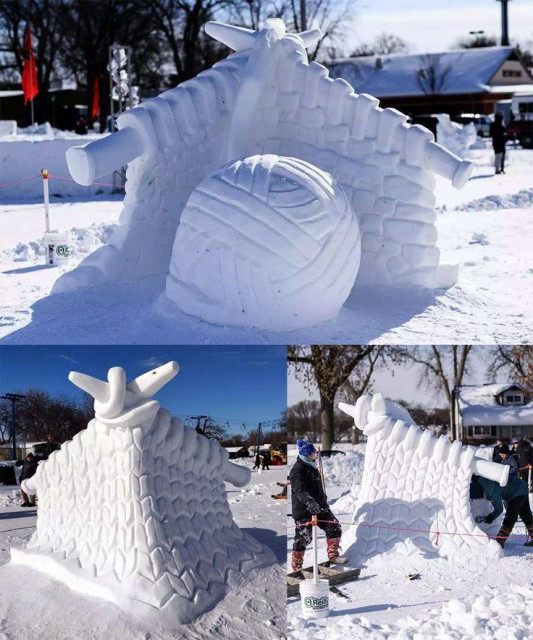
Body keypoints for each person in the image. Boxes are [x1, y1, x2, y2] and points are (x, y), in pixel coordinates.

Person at [289, 439, 347, 572]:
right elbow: (299, 490)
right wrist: (309, 502)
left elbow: (317, 489)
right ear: (306, 454)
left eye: (315, 452)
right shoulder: (297, 470)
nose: (315, 455)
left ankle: (333, 556)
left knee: (334, 526)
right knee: (304, 537)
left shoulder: (312, 465)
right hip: (304, 509)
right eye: (312, 453)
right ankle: (296, 566)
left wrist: (323, 502)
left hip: (319, 507)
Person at [474, 474, 533, 548]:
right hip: (521, 486)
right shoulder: (483, 479)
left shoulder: (492, 493)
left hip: (516, 492)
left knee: (510, 517)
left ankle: (500, 542)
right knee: (526, 515)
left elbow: (499, 509)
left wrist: (490, 518)